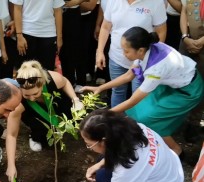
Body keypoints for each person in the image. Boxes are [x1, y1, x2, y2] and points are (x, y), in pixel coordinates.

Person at [81, 26, 204, 156]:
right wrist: (100, 88)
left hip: (188, 91)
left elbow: (132, 101)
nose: (124, 54)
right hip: (171, 84)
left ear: (140, 50)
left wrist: (104, 114)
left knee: (150, 120)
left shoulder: (156, 69)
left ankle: (177, 151)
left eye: (126, 51)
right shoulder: (145, 51)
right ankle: (148, 137)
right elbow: (129, 75)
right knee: (138, 111)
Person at [5, 60, 83, 182]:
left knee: (70, 116)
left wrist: (75, 99)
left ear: (42, 84)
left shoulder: (53, 79)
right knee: (44, 134)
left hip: (54, 101)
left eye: (35, 93)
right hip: (32, 113)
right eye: (27, 95)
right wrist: (11, 165)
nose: (32, 98)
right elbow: (11, 135)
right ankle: (35, 136)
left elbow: (66, 82)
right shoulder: (17, 103)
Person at [80, 109, 184, 182]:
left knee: (103, 178)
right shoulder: (134, 128)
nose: (89, 147)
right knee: (102, 161)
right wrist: (100, 165)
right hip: (169, 174)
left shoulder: (127, 167)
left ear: (103, 141)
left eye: (89, 144)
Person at [96, 0, 167, 108]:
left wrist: (152, 59)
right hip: (116, 58)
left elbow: (161, 32)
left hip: (142, 62)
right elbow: (105, 27)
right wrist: (100, 51)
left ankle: (135, 123)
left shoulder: (155, 2)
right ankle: (117, 123)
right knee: (117, 91)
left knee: (138, 95)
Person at [10, 0, 64, 70]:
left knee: (47, 73)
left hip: (48, 33)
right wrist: (19, 35)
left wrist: (59, 37)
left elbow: (58, 11)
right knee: (26, 73)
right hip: (26, 33)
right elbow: (17, 8)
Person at [179, 0, 204, 143]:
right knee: (184, 83)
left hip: (201, 46)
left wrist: (201, 41)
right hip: (187, 44)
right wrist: (185, 37)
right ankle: (179, 121)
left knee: (202, 87)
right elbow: (184, 11)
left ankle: (193, 125)